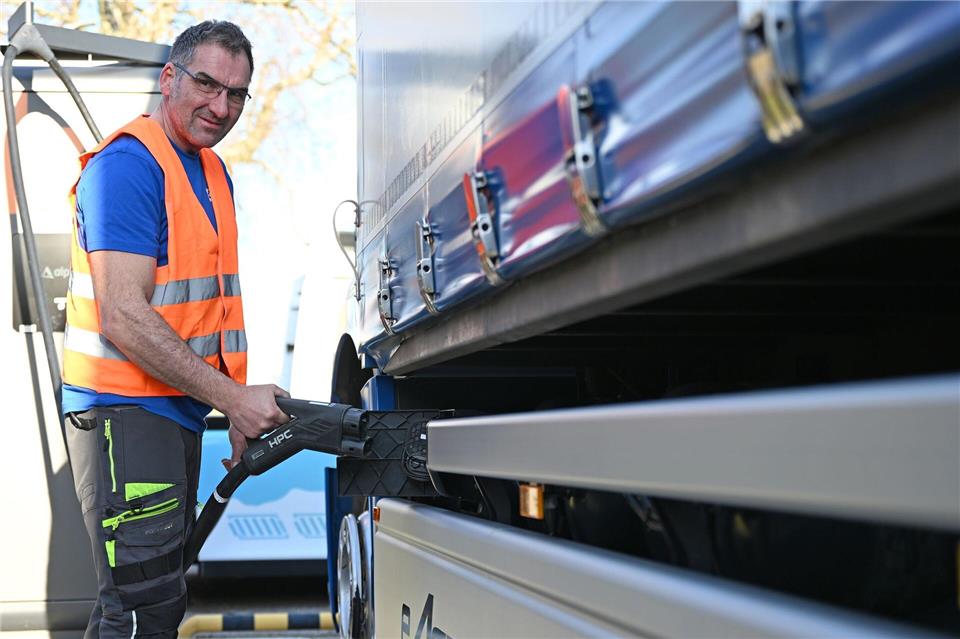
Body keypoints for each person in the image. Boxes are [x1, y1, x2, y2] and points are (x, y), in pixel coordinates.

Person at [61, 21, 288, 638]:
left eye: (237, 94)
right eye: (208, 84)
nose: (221, 106)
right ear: (170, 78)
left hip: (172, 413)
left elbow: (209, 314)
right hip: (124, 414)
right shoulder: (130, 167)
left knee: (151, 602)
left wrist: (234, 409)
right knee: (141, 609)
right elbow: (124, 315)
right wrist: (235, 400)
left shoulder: (213, 173)